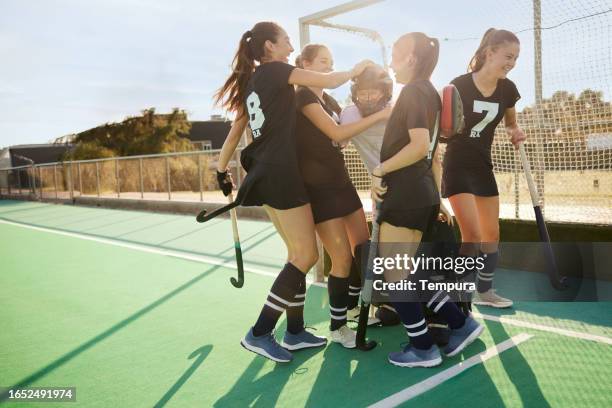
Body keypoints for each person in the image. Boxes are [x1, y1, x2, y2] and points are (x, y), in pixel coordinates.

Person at [214, 21, 373, 363]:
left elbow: (233, 134)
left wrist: (220, 170)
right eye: (285, 39)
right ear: (270, 46)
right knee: (306, 256)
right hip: (281, 174)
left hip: (261, 174)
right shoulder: (276, 72)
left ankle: (296, 331)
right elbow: (329, 80)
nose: (290, 44)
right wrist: (357, 68)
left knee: (296, 256)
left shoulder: (251, 84)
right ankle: (259, 332)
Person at [371, 32, 483, 367]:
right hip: (420, 193)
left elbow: (420, 148)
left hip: (405, 194)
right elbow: (432, 156)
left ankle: (422, 347)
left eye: (394, 52)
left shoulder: (415, 91)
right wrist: (438, 199)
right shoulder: (429, 93)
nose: (390, 61)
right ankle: (461, 323)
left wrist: (380, 170)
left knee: (392, 273)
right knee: (408, 273)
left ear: (410, 58)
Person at [293, 44, 390, 347]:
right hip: (319, 190)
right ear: (304, 65)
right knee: (342, 259)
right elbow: (338, 135)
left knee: (363, 247)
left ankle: (354, 308)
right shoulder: (303, 97)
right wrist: (383, 114)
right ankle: (337, 329)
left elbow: (341, 140)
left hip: (341, 181)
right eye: (323, 62)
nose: (328, 67)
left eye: (331, 62)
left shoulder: (331, 100)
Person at [441, 28, 527, 308]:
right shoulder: (459, 85)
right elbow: (442, 130)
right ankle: (458, 296)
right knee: (473, 236)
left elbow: (510, 123)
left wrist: (515, 131)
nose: (511, 63)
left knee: (492, 235)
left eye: (515, 58)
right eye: (507, 56)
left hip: (482, 166)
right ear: (490, 53)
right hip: (457, 165)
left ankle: (485, 292)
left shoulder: (508, 89)